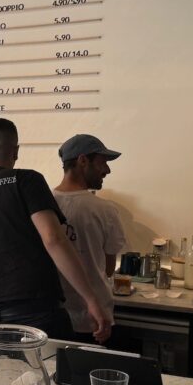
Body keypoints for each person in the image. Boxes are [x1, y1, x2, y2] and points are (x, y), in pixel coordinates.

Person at [0, 118, 111, 342]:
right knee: (50, 375)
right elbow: (53, 239)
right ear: (16, 151)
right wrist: (91, 299)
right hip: (32, 312)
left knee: (1, 376)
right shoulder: (27, 180)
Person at [52, 134, 126, 345]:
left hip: (54, 319)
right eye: (102, 163)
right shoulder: (105, 210)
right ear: (82, 160)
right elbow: (109, 268)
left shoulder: (42, 206)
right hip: (93, 321)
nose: (107, 170)